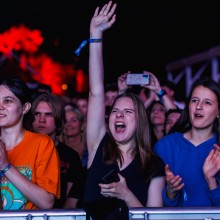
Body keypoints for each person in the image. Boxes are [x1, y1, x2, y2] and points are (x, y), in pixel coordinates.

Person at [83, 2, 165, 219]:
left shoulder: (154, 165)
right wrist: (95, 35)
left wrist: (126, 195)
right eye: (116, 111)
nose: (119, 114)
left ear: (140, 121)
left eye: (128, 112)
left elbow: (153, 217)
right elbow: (97, 92)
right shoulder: (97, 145)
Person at [154, 78, 220, 206]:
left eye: (207, 103)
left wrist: (211, 180)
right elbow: (155, 207)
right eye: (194, 100)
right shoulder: (165, 146)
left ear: (218, 112)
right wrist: (171, 190)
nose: (198, 106)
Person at [0, 78, 60, 210]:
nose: (0, 106)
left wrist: (5, 166)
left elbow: (47, 203)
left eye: (8, 101)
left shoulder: (42, 144)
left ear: (25, 108)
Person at [30, 93, 85, 208]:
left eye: (48, 114)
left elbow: (70, 204)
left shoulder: (70, 156)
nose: (42, 120)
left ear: (58, 118)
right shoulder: (22, 149)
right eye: (37, 114)